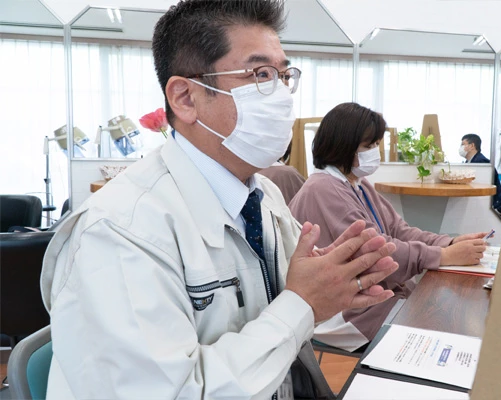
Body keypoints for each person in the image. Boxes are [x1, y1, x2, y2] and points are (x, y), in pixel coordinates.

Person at [40, 3, 400, 399]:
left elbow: (285, 311)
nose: (280, 95)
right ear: (185, 97)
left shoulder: (264, 196)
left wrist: (332, 281)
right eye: (260, 75)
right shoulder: (118, 231)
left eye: (284, 76)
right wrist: (303, 304)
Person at [289, 103, 489, 351]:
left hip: (373, 294)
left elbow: (400, 230)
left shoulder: (357, 185)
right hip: (343, 311)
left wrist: (448, 243)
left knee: (443, 312)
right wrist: (444, 256)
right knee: (438, 327)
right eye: (368, 146)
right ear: (342, 146)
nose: (375, 152)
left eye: (375, 145)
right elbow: (376, 253)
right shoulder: (323, 188)